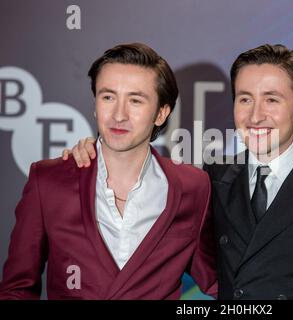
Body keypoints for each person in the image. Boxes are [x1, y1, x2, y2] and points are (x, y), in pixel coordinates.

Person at [65, 44, 293, 300]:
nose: (255, 115)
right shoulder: (210, 180)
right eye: (245, 99)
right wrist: (97, 154)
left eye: (271, 100)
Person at [0, 43, 217, 300]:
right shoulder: (48, 181)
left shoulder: (193, 187)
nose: (118, 115)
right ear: (95, 104)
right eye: (108, 97)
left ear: (161, 113)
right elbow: (17, 289)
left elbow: (215, 281)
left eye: (135, 100)